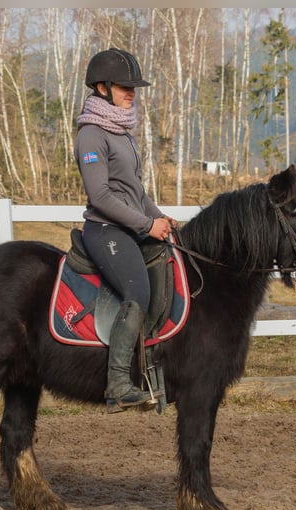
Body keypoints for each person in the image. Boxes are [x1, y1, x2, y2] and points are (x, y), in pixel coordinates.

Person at [74, 48, 177, 414]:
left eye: (134, 87)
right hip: (106, 231)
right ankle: (118, 383)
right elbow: (100, 196)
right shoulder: (91, 134)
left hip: (132, 227)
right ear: (101, 87)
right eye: (123, 86)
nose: (131, 92)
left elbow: (136, 190)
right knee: (138, 291)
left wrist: (161, 218)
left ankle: (154, 374)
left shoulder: (123, 132)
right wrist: (147, 224)